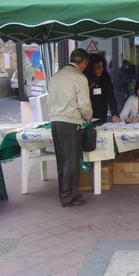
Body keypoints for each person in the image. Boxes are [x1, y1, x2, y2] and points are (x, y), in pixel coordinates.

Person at [48, 48, 93, 207]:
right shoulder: (79, 77)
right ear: (84, 62)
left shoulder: (56, 76)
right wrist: (88, 117)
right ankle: (68, 197)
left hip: (54, 121)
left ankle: (65, 193)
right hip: (70, 122)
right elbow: (84, 104)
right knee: (71, 160)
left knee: (61, 159)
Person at [83, 54, 122, 124]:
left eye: (101, 67)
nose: (99, 70)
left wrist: (114, 114)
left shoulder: (105, 77)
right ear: (91, 68)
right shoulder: (85, 78)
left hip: (102, 113)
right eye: (96, 68)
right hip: (87, 114)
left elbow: (111, 98)